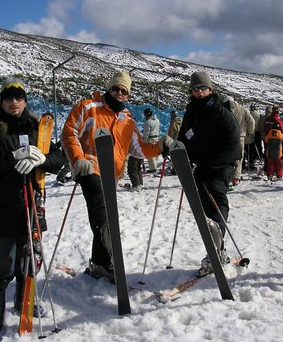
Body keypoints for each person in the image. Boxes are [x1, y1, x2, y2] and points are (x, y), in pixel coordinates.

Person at [60, 71, 172, 282]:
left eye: (124, 91)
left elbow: (139, 149)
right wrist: (77, 159)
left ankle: (100, 264)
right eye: (116, 89)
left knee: (101, 213)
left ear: (128, 95)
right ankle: (108, 247)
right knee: (103, 215)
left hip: (113, 176)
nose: (119, 93)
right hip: (89, 168)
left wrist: (159, 146)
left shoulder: (127, 119)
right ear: (109, 88)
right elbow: (69, 132)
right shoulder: (88, 107)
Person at [0, 77, 64, 331]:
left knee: (29, 256)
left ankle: (26, 297)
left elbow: (59, 159)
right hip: (0, 205)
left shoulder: (37, 129)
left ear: (25, 101)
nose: (14, 102)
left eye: (19, 97)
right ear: (1, 102)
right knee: (4, 259)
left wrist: (41, 158)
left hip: (31, 202)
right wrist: (12, 158)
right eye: (9, 98)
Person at [177, 71, 241, 277]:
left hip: (220, 166)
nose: (199, 92)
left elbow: (233, 147)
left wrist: (211, 165)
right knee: (203, 206)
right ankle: (216, 245)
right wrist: (176, 151)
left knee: (216, 197)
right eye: (195, 89)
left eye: (203, 88)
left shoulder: (222, 114)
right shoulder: (191, 113)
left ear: (211, 90)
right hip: (200, 167)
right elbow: (183, 139)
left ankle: (217, 246)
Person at [224, 96, 255, 186]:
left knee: (227, 156)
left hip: (227, 136)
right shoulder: (242, 108)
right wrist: (250, 132)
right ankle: (236, 178)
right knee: (239, 157)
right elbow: (251, 121)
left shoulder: (223, 109)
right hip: (240, 135)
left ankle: (227, 176)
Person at [142, 108, 161, 173]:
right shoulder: (157, 120)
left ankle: (153, 168)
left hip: (150, 139)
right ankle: (154, 167)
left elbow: (146, 133)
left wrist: (143, 140)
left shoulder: (148, 122)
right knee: (154, 153)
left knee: (150, 154)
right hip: (156, 138)